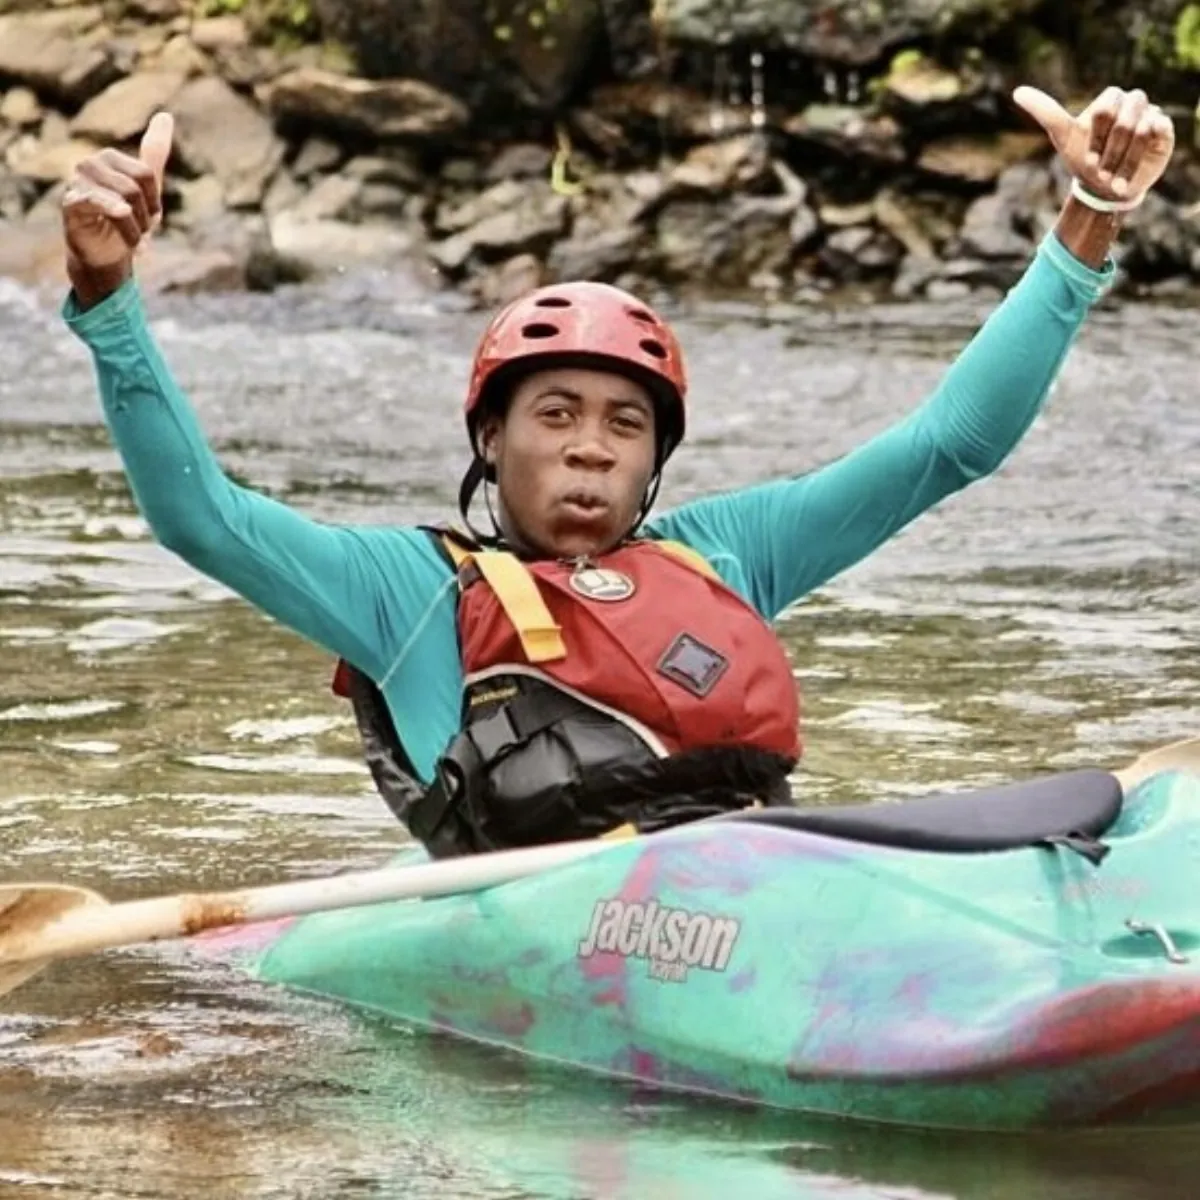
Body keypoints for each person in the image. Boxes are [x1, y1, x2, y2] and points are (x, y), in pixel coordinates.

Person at [59, 85, 1175, 858]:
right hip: (554, 911)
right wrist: (110, 301)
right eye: (556, 413)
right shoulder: (409, 596)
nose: (592, 441)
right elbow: (197, 516)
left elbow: (950, 448)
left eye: (625, 424)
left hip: (755, 875)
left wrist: (1090, 222)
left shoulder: (726, 556)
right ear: (490, 440)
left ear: (654, 460)